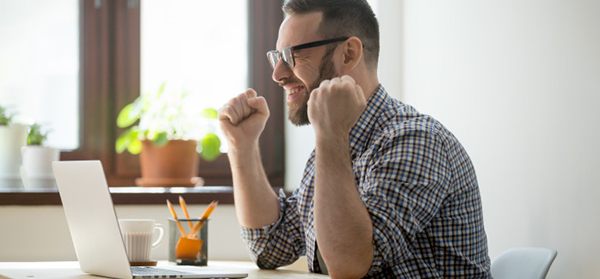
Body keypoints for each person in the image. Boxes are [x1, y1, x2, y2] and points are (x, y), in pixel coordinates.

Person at [217, 0, 491, 278]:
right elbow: (271, 246)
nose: (278, 74)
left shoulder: (416, 140)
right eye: (277, 57)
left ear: (348, 54)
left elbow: (348, 265)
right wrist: (243, 147)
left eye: (291, 55)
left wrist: (331, 135)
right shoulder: (334, 147)